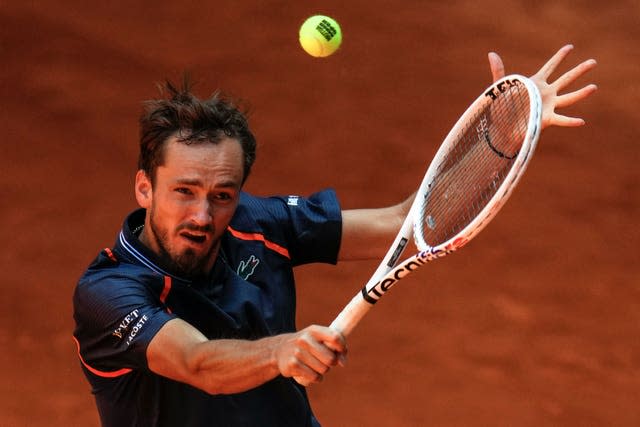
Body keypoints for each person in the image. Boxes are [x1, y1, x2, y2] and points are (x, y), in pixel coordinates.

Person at [73, 44, 597, 427]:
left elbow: (406, 224)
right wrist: (280, 351)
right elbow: (197, 362)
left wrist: (499, 136)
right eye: (183, 191)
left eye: (222, 195)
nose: (203, 215)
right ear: (144, 188)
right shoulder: (108, 293)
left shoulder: (259, 224)